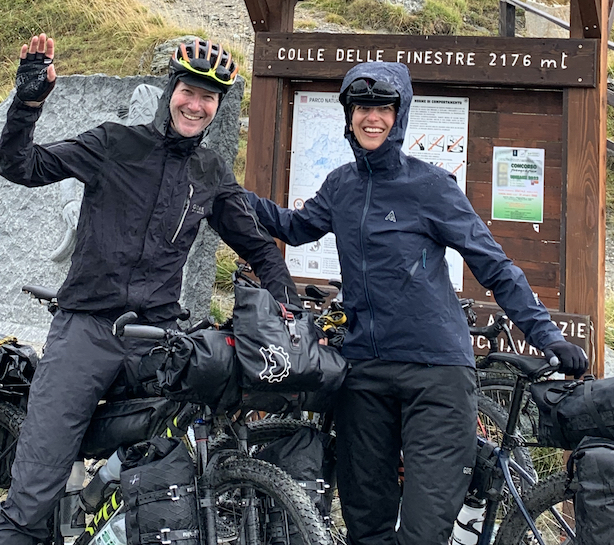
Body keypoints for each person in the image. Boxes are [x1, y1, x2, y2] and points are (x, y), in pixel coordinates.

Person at [247, 61, 588, 545]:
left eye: (383, 108)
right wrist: (225, 192)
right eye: (362, 107)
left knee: (424, 533)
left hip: (437, 374)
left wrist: (547, 334)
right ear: (348, 116)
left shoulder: (431, 185)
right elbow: (292, 227)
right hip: (364, 372)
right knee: (366, 528)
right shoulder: (341, 186)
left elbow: (494, 265)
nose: (372, 118)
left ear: (399, 115)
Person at [0, 34, 300, 545]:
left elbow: (260, 249)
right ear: (169, 90)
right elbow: (21, 167)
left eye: (209, 97)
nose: (196, 105)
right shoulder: (115, 143)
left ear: (217, 107)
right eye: (189, 90)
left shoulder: (209, 173)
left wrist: (288, 310)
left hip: (155, 339)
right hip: (86, 329)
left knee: (170, 461)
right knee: (33, 496)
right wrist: (28, 101)